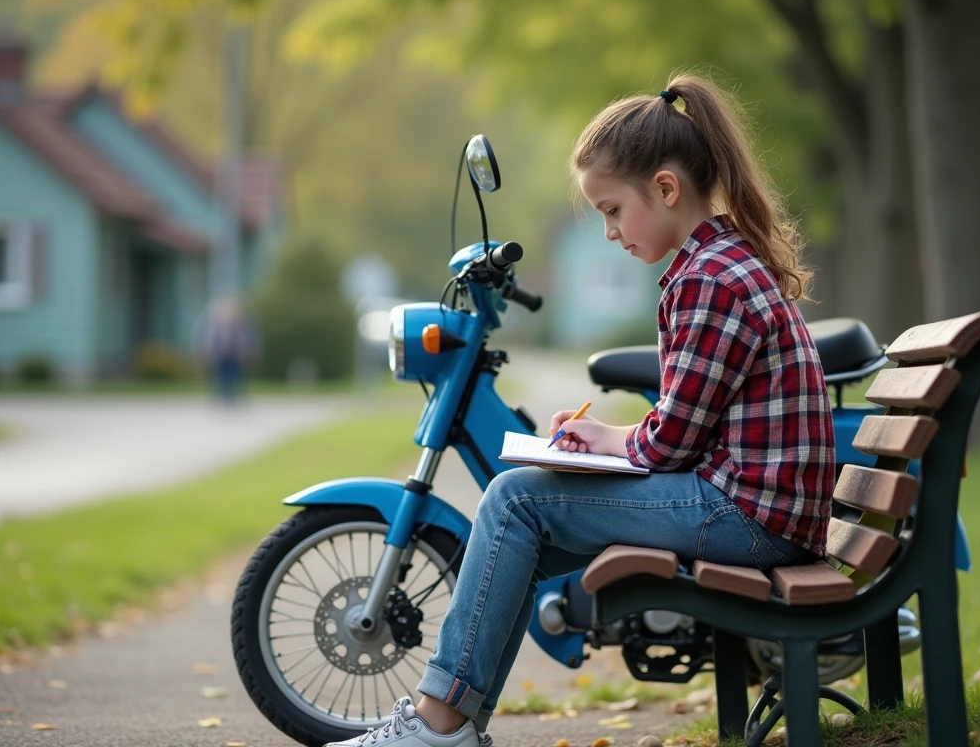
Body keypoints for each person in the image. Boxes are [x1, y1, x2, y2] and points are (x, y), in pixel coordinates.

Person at [323, 73, 836, 747]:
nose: (609, 231)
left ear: (665, 189)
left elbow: (672, 446)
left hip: (748, 517)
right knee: (521, 521)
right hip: (753, 505)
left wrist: (610, 447)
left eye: (612, 210)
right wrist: (603, 437)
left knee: (515, 503)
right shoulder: (719, 263)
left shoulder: (710, 282)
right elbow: (684, 431)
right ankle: (450, 724)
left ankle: (439, 724)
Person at [198, 295, 259, 405]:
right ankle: (223, 396)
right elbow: (209, 340)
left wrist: (250, 351)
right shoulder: (215, 325)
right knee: (221, 376)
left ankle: (232, 396)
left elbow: (249, 339)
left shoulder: (242, 324)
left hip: (235, 355)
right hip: (220, 355)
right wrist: (207, 352)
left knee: (234, 376)